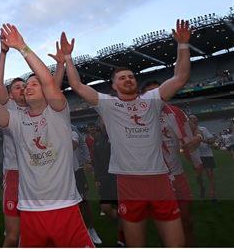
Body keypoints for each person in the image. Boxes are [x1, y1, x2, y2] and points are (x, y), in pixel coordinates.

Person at [0, 24, 93, 247]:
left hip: (65, 208)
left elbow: (48, 80)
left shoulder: (58, 112)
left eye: (34, 84)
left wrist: (21, 47)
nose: (29, 87)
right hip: (29, 211)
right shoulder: (15, 120)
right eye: (26, 85)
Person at [61, 19, 191, 247]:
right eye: (122, 78)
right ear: (113, 85)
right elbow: (78, 86)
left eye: (131, 76)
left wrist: (182, 45)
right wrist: (69, 58)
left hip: (160, 179)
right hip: (129, 182)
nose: (128, 79)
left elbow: (180, 77)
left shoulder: (152, 100)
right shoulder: (108, 105)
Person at [142, 80, 203, 247]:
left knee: (187, 221)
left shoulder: (176, 113)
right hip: (156, 180)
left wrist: (198, 137)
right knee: (166, 227)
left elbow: (191, 134)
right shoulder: (136, 119)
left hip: (178, 175)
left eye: (159, 92)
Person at [0, 31, 27, 248]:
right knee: (13, 235)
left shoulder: (39, 107)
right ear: (11, 95)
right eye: (17, 87)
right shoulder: (9, 109)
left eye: (25, 86)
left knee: (35, 230)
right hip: (15, 173)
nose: (22, 89)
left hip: (39, 173)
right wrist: (3, 53)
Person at [190, 115, 217, 201]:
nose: (194, 120)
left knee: (210, 174)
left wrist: (201, 140)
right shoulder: (188, 132)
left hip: (207, 154)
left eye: (195, 118)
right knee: (199, 176)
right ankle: (202, 187)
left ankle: (212, 194)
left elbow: (212, 140)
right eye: (192, 118)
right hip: (196, 156)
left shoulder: (203, 129)